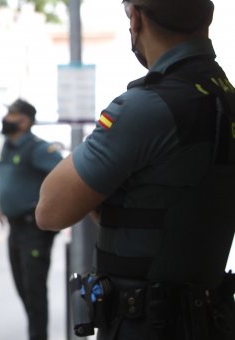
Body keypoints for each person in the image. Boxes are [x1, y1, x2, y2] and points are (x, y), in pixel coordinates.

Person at [36, 0, 235, 339]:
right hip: (213, 318)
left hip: (145, 323)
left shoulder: (147, 108)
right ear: (208, 15)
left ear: (137, 19)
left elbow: (50, 211)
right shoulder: (225, 101)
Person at [0, 98, 62, 340]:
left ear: (24, 122)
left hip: (32, 229)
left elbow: (64, 174)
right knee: (22, 287)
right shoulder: (8, 146)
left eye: (11, 115)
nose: (6, 120)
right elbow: (4, 177)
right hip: (15, 228)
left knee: (34, 291)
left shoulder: (38, 149)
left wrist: (46, 206)